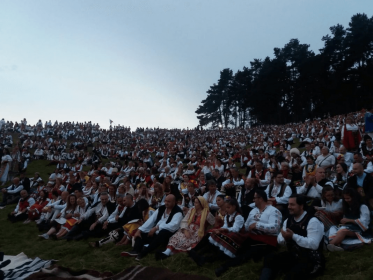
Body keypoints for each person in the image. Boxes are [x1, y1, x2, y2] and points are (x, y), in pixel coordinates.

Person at [214, 190, 282, 277]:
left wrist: (257, 225)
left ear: (260, 199)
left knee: (247, 253)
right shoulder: (253, 211)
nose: (253, 200)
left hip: (266, 240)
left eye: (255, 198)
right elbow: (246, 226)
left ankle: (224, 267)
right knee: (234, 245)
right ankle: (213, 258)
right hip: (252, 237)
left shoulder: (274, 211)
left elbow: (275, 228)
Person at [260, 195, 325, 280]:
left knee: (291, 276)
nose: (289, 207)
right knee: (269, 258)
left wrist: (293, 236)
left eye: (292, 205)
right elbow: (280, 239)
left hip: (310, 258)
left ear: (301, 206)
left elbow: (314, 244)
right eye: (288, 204)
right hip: (294, 255)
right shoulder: (288, 220)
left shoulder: (312, 221)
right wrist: (285, 238)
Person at [121, 194, 183, 260]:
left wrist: (157, 227)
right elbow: (151, 220)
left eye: (169, 202)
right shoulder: (162, 208)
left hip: (167, 235)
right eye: (165, 201)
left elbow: (173, 226)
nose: (166, 203)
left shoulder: (178, 212)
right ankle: (136, 251)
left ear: (174, 202)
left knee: (163, 232)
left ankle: (144, 252)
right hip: (155, 232)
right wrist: (140, 230)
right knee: (141, 233)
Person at [188, 197, 245, 266]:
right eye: (226, 208)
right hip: (228, 232)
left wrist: (222, 230)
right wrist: (219, 230)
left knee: (222, 236)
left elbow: (236, 229)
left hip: (237, 236)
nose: (226, 209)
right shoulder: (228, 215)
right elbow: (225, 225)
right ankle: (199, 254)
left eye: (228, 207)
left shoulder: (238, 217)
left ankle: (205, 258)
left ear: (234, 207)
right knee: (214, 233)